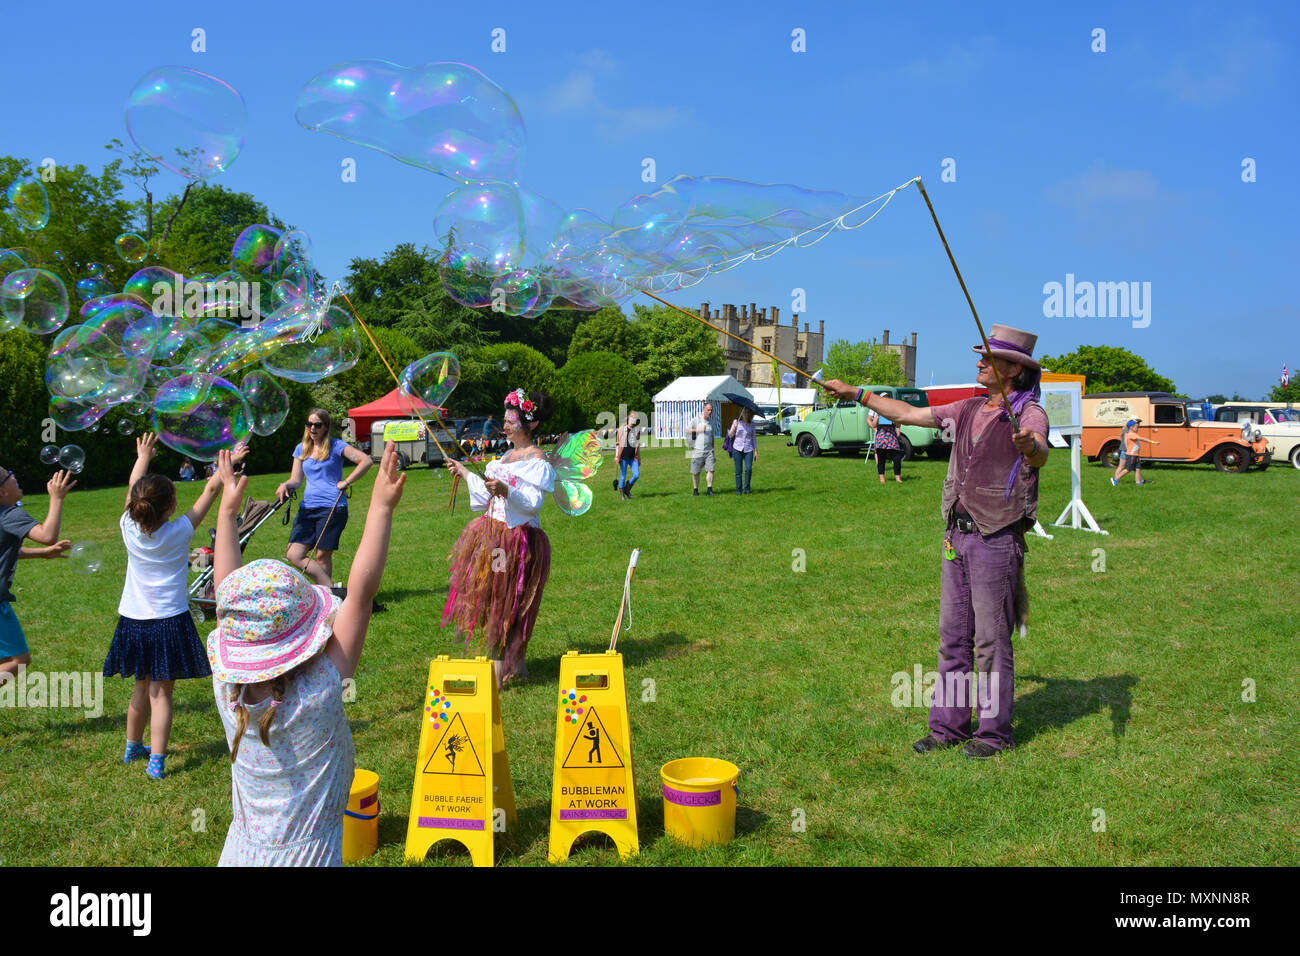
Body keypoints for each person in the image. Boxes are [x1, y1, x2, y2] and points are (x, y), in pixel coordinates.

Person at [825, 324, 1049, 759]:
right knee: (952, 638)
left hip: (996, 540)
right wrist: (856, 392)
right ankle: (949, 728)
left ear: (1014, 370)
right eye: (981, 356)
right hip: (956, 538)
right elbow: (907, 414)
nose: (980, 362)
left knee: (990, 642)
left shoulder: (1028, 412)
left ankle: (993, 734)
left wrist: (1029, 445)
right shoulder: (967, 408)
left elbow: (1039, 449)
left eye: (988, 358)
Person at [209, 442, 405, 866]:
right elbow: (360, 597)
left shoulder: (226, 689)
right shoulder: (319, 689)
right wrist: (381, 508)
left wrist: (227, 513)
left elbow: (228, 601)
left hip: (239, 854)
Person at [105, 434, 243, 779]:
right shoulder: (179, 531)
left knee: (141, 686)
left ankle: (132, 747)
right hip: (168, 620)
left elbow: (132, 489)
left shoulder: (128, 526)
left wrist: (143, 456)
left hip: (134, 621)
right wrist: (227, 465)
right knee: (161, 693)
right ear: (168, 508)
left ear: (137, 507)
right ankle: (157, 760)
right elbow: (210, 494)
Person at [443, 388, 557, 688]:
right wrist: (466, 473)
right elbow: (484, 498)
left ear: (530, 424)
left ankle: (497, 675)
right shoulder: (505, 456)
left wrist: (506, 490)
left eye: (511, 420)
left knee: (507, 603)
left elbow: (531, 503)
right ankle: (515, 665)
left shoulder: (537, 460)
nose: (504, 426)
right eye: (505, 420)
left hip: (517, 540)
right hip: (492, 538)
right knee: (496, 599)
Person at [276, 408, 372, 586]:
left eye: (317, 425)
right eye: (309, 424)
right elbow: (296, 480)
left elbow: (366, 461)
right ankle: (330, 590)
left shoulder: (336, 446)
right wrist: (286, 485)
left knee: (322, 555)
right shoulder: (301, 449)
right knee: (293, 554)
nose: (312, 428)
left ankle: (325, 597)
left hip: (332, 507)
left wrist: (346, 482)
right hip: (307, 508)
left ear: (326, 427)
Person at [0, 465, 75, 681]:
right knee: (18, 661)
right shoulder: (9, 514)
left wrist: (42, 553)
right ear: (2, 492)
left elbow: (8, 551)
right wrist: (57, 497)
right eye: (9, 476)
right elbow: (48, 534)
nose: (15, 476)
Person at [1112, 419, 1159, 485]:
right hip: (1131, 455)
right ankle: (1116, 479)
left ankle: (1138, 483)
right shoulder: (1131, 434)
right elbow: (1143, 439)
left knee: (1138, 468)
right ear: (1131, 427)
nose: (1138, 428)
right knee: (1128, 469)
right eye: (1136, 427)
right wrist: (1153, 442)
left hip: (1136, 455)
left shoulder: (1132, 434)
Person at [686, 402, 717, 496]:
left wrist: (713, 448)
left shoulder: (711, 422)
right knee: (695, 472)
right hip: (697, 450)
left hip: (709, 450)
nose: (710, 412)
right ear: (704, 410)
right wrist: (698, 430)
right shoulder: (696, 420)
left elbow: (712, 436)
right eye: (708, 410)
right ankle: (695, 490)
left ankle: (709, 489)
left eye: (711, 410)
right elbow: (687, 430)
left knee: (711, 469)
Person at [869, 406, 904, 484]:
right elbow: (874, 425)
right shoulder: (878, 413)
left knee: (897, 459)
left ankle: (898, 478)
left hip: (892, 438)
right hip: (881, 439)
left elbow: (898, 425)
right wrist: (877, 415)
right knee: (881, 460)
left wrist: (894, 417)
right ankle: (882, 478)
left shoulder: (891, 414)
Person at [727, 408, 758, 494]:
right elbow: (730, 435)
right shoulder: (736, 422)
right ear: (742, 413)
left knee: (748, 469)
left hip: (748, 449)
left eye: (748, 412)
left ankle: (747, 489)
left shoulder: (752, 424)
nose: (746, 414)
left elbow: (754, 438)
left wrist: (756, 451)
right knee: (738, 471)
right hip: (737, 448)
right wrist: (734, 427)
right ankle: (738, 490)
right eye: (744, 412)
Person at [614, 411, 641, 500]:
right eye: (632, 417)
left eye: (635, 418)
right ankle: (622, 493)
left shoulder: (637, 430)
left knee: (636, 475)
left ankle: (627, 489)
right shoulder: (622, 429)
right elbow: (617, 443)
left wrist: (639, 458)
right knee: (623, 475)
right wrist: (617, 456)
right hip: (624, 457)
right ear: (628, 418)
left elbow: (638, 445)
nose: (634, 419)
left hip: (633, 457)